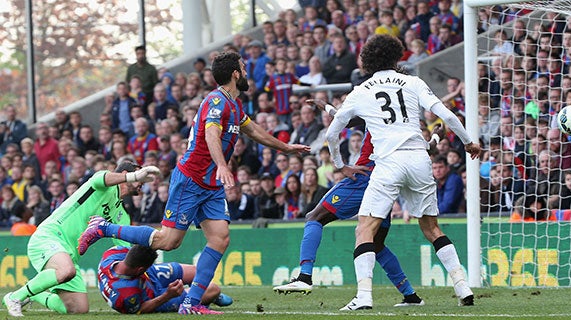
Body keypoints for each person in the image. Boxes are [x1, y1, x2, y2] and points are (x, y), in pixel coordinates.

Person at [78, 52, 310, 315]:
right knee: (168, 241)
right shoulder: (216, 100)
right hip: (190, 180)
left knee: (220, 239)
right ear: (235, 73)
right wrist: (222, 164)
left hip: (210, 186)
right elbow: (212, 133)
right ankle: (103, 228)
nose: (246, 73)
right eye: (243, 69)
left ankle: (192, 303)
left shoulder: (234, 105)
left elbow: (253, 130)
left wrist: (285, 147)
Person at [324, 35, 480, 310]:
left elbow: (332, 132)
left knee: (365, 229)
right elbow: (448, 115)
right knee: (431, 228)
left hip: (388, 164)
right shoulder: (413, 82)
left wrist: (339, 164)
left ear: (367, 61)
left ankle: (364, 296)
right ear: (397, 57)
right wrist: (468, 142)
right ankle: (462, 286)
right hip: (419, 159)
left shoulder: (361, 91)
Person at [274, 100, 447, 307]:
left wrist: (341, 166)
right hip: (386, 184)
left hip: (363, 178)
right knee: (376, 243)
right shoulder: (406, 125)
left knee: (315, 217)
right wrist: (437, 135)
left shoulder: (374, 112)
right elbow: (427, 149)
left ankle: (304, 276)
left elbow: (343, 121)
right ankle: (410, 295)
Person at [1, 161, 159, 316]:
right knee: (65, 270)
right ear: (125, 174)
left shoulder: (121, 215)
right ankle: (15, 297)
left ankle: (33, 292)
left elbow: (125, 251)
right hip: (50, 235)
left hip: (70, 255)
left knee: (77, 308)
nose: (142, 181)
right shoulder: (103, 185)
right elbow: (101, 178)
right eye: (140, 176)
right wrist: (134, 176)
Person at [98, 245, 232, 314]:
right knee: (213, 289)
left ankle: (197, 294)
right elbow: (141, 309)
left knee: (199, 272)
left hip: (151, 275)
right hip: (154, 298)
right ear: (140, 269)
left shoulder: (113, 253)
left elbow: (137, 252)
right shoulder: (125, 294)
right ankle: (209, 298)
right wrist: (168, 295)